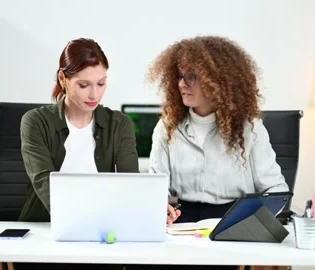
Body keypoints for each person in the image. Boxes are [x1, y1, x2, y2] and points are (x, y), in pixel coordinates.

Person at [15, 38, 138, 270]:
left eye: (101, 83)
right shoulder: (35, 122)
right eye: (84, 85)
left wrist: (148, 208)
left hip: (101, 239)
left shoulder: (119, 124)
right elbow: (44, 182)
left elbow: (130, 183)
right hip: (45, 237)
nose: (94, 94)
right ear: (63, 79)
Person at [147, 35, 289, 227]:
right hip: (182, 225)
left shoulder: (249, 128)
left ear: (217, 81)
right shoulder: (167, 128)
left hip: (236, 222)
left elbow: (276, 190)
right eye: (180, 76)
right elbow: (155, 189)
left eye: (191, 76)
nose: (181, 84)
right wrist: (161, 208)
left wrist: (256, 224)